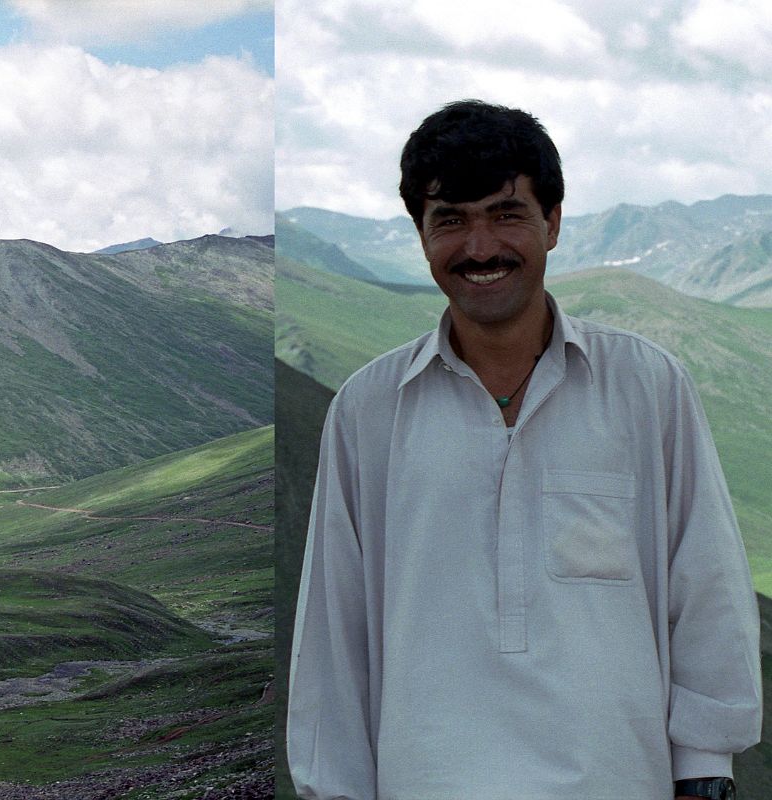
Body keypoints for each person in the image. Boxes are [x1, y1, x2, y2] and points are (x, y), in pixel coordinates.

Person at [286, 99, 762, 800]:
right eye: (450, 219)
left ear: (555, 223)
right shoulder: (368, 409)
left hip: (617, 781)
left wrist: (704, 769)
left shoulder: (647, 387)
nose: (480, 248)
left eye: (506, 213)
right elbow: (334, 629)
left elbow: (707, 583)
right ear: (421, 235)